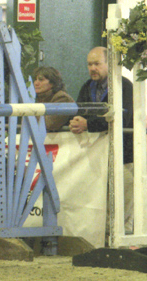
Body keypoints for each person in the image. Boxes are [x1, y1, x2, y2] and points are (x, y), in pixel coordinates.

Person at [69, 46, 134, 232]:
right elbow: (79, 112)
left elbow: (123, 119)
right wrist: (74, 121)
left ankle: (124, 240)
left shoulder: (124, 86)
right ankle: (104, 239)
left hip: (125, 156)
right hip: (97, 157)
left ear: (109, 64)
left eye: (97, 64)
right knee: (101, 201)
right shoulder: (86, 87)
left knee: (124, 202)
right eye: (89, 64)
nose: (92, 68)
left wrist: (88, 124)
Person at [32, 66, 74, 132]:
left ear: (53, 83)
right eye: (35, 79)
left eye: (41, 80)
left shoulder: (62, 98)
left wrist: (30, 114)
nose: (36, 83)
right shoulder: (40, 98)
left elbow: (51, 124)